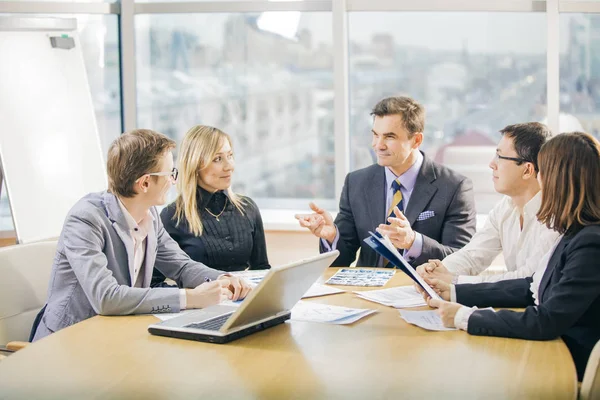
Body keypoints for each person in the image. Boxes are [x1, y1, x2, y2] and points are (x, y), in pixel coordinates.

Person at [32, 129, 252, 341]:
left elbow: (182, 266)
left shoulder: (150, 215)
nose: (173, 181)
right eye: (170, 174)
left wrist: (223, 279)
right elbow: (106, 298)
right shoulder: (85, 219)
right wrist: (191, 298)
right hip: (69, 341)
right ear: (145, 182)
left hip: (117, 335)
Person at [421, 132, 600, 381]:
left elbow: (547, 320)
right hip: (550, 347)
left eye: (543, 172)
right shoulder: (572, 231)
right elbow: (531, 287)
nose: (540, 179)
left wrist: (464, 316)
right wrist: (454, 292)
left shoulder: (590, 242)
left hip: (566, 363)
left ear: (559, 180)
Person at [295, 96, 476, 267]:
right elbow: (341, 260)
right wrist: (332, 236)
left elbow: (461, 261)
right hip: (367, 293)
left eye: (389, 137)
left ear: (416, 140)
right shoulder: (356, 183)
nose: (378, 145)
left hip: (422, 294)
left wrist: (414, 242)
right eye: (375, 135)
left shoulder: (454, 188)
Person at [416, 122, 560, 284]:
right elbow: (473, 255)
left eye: (500, 156)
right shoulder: (506, 207)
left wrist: (454, 281)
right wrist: (438, 270)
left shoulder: (555, 217)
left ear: (527, 170)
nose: (492, 164)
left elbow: (528, 278)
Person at [152, 125, 270, 288]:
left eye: (230, 156)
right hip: (201, 308)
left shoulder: (247, 208)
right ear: (195, 165)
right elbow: (153, 283)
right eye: (218, 159)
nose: (229, 166)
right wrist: (192, 298)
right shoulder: (172, 216)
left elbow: (262, 270)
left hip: (244, 304)